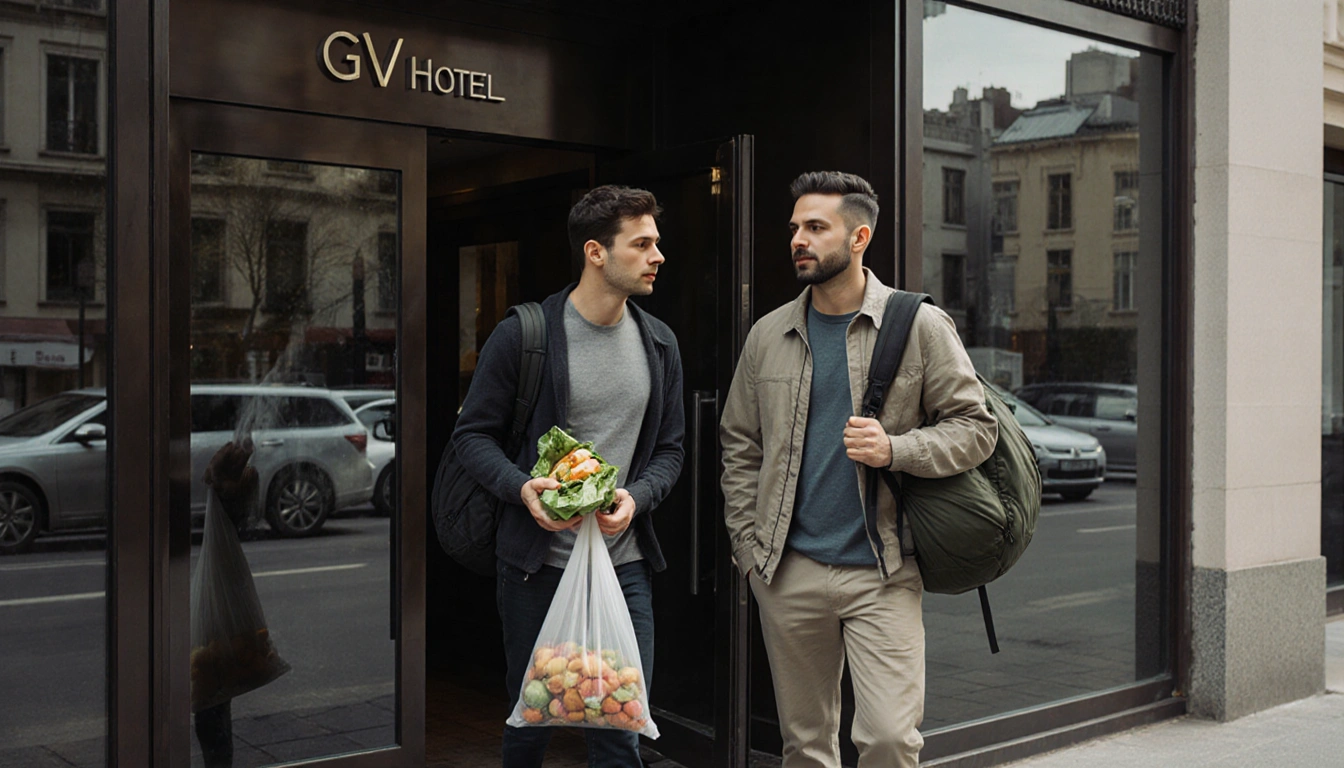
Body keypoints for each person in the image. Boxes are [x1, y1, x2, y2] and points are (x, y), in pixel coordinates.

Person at [719, 171, 997, 767]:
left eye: (816, 227)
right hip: (786, 571)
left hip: (883, 571)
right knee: (805, 745)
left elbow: (977, 429)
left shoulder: (919, 325)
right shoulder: (768, 334)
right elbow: (740, 444)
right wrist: (748, 548)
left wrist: (896, 449)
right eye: (795, 227)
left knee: (891, 740)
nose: (799, 238)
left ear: (859, 236)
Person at [452, 185, 685, 767]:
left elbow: (671, 451)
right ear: (596, 252)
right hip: (535, 568)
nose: (659, 255)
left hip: (623, 566)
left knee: (620, 729)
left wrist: (637, 497)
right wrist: (522, 487)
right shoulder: (525, 335)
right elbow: (470, 437)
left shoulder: (659, 343)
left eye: (656, 242)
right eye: (643, 243)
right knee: (529, 721)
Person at [194, 438, 260, 768]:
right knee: (214, 702)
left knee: (210, 702)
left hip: (212, 626)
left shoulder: (223, 510)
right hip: (220, 619)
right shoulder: (229, 513)